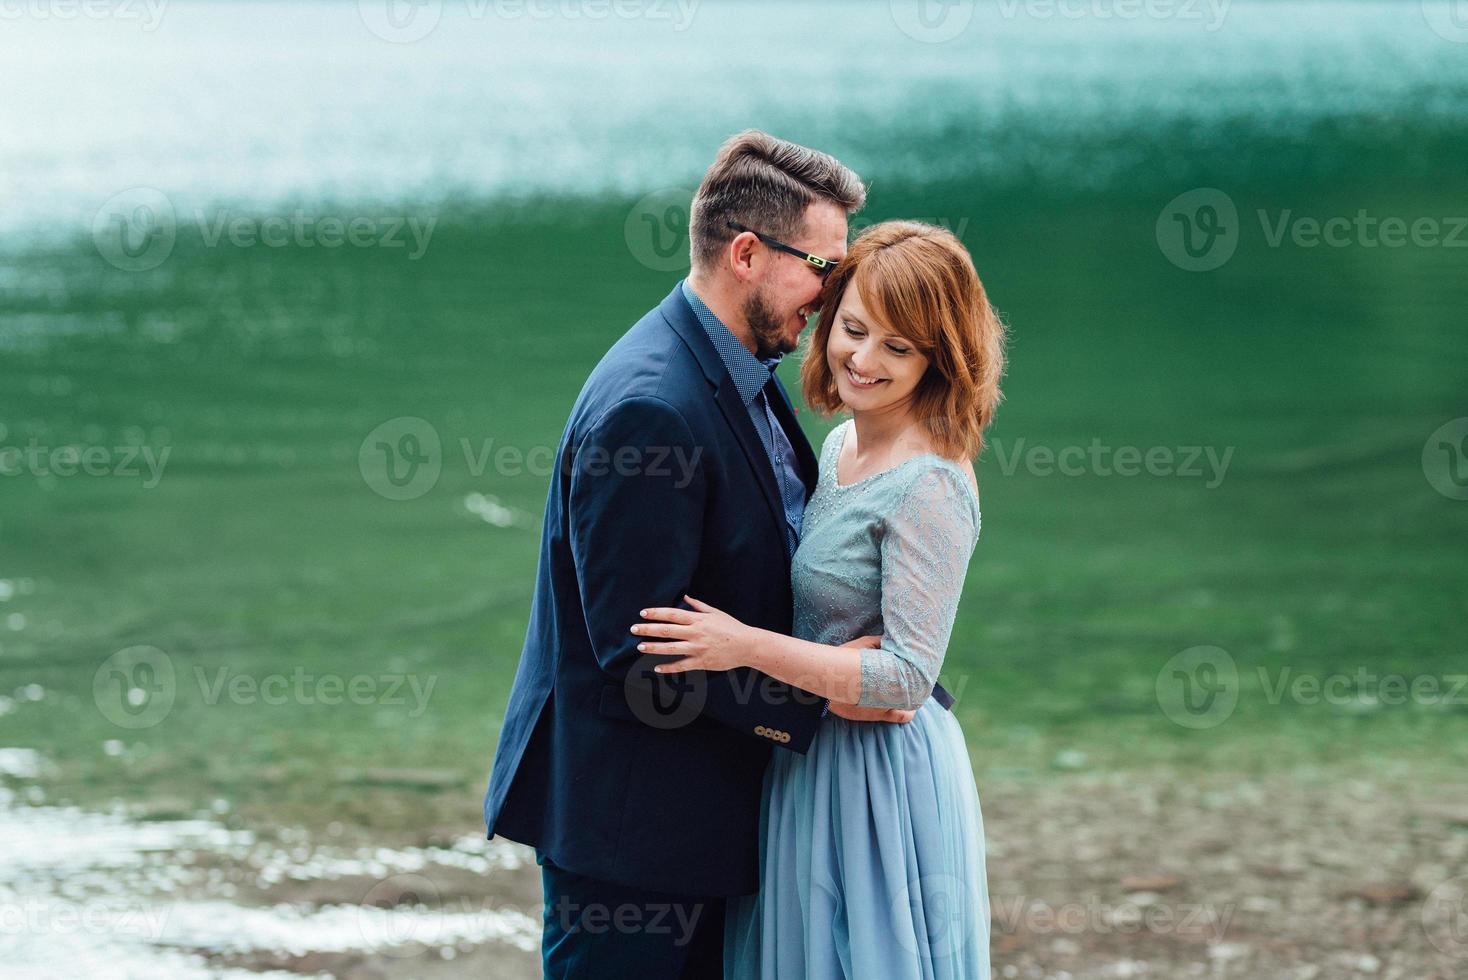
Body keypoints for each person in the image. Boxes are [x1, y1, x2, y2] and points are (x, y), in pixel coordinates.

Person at [483, 130, 934, 978]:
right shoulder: (651, 408)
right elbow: (641, 649)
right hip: (634, 838)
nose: (833, 296)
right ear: (748, 253)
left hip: (701, 817)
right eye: (823, 269)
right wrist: (828, 698)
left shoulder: (734, 366)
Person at [634, 220, 1007, 978]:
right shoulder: (841, 444)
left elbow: (905, 679)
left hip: (878, 781)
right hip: (807, 754)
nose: (862, 361)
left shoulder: (930, 481)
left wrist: (742, 646)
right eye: (854, 329)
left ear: (941, 359)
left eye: (898, 348)